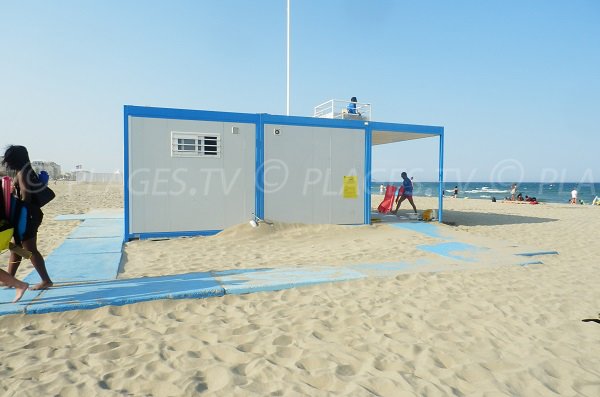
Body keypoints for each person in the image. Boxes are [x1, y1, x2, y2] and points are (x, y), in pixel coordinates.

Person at [2, 145, 53, 290]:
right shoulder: (26, 170)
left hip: (26, 216)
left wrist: (15, 198)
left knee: (30, 249)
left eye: (9, 159)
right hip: (29, 214)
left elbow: (25, 195)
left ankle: (46, 280)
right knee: (16, 249)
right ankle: (9, 279)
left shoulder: (22, 173)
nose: (7, 162)